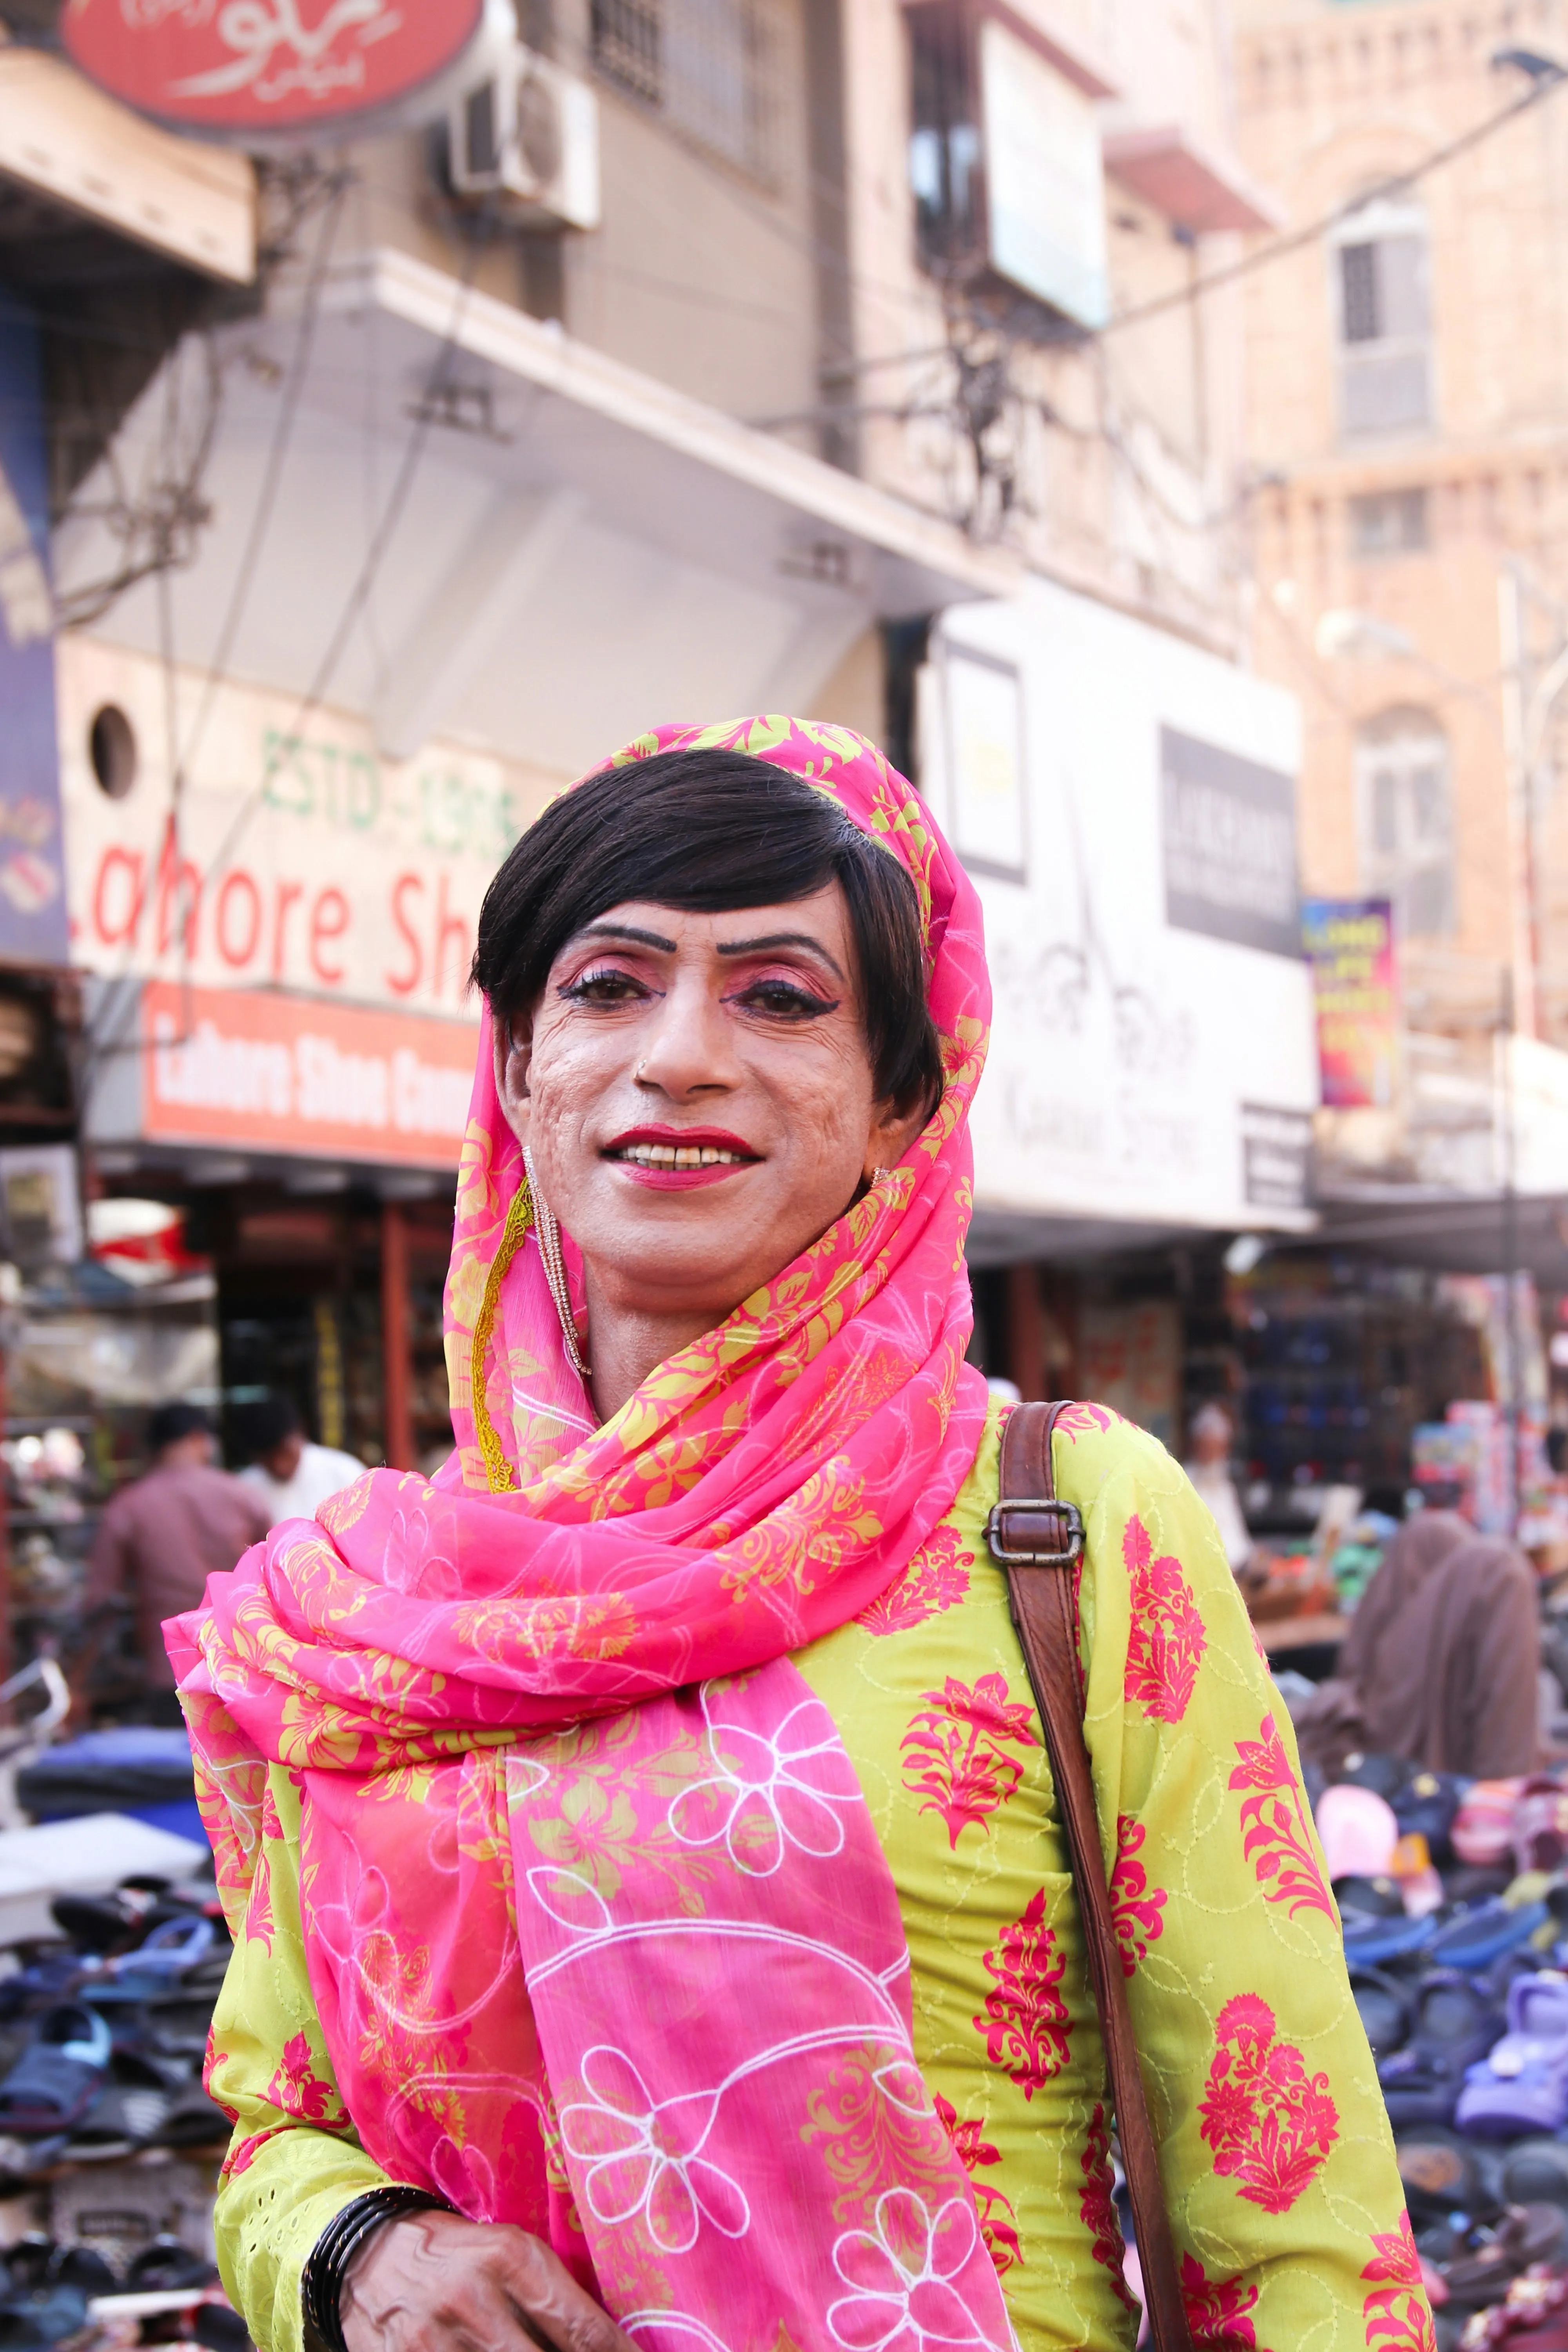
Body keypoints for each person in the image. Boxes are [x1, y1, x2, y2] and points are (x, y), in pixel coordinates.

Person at [171, 721, 1422, 2352]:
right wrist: (358, 2248)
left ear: (907, 1101)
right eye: (609, 985)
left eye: (779, 997)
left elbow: (1289, 2199)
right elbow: (273, 2124)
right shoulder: (364, 1611)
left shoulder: (1057, 1521)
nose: (680, 1053)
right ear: (515, 1075)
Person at [1306, 1508, 1541, 1779]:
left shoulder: (1379, 1678)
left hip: (1392, 1770)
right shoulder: (1498, 1577)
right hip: (1473, 1790)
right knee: (1481, 1565)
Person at [84, 1402, 267, 1715]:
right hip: (244, 1668)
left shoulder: (129, 1506)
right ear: (199, 1438)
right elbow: (278, 1576)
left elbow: (99, 1605)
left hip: (170, 1674)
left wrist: (79, 1685)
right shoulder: (244, 1497)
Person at [234, 1395, 364, 1529]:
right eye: (267, 1459)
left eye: (284, 1452)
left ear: (300, 1432)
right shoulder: (246, 1488)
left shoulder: (345, 1473)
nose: (279, 1466)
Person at [1183, 1399, 1253, 1575]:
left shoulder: (1225, 1486)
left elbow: (1237, 1538)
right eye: (1206, 1445)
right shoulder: (1184, 1480)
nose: (1211, 1452)